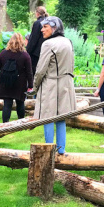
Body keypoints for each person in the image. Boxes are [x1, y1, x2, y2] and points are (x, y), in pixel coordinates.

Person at [33, 16, 76, 155]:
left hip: (50, 84)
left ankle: (49, 149)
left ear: (54, 27)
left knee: (48, 117)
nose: (42, 29)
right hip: (66, 84)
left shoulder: (48, 44)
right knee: (61, 117)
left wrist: (34, 86)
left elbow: (40, 70)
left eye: (45, 26)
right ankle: (61, 149)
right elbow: (72, 65)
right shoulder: (68, 42)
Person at [0, 32, 33, 122]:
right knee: (20, 103)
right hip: (19, 83)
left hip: (6, 82)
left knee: (7, 104)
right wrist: (30, 85)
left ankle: (5, 124)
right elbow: (29, 72)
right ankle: (21, 122)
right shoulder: (25, 55)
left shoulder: (3, 53)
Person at [26, 5, 48, 75]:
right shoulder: (48, 22)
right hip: (46, 51)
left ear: (37, 13)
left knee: (34, 72)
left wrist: (28, 51)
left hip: (36, 53)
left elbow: (33, 39)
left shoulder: (37, 23)